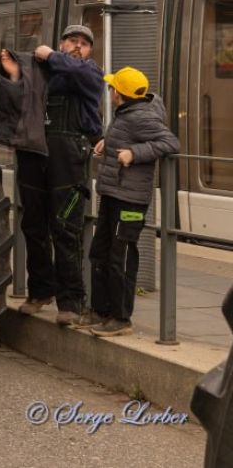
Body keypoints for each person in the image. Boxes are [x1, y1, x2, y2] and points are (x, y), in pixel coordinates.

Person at [13, 25, 104, 325]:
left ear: (90, 51)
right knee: (33, 225)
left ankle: (71, 302)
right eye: (72, 41)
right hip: (35, 154)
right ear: (62, 42)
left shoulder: (90, 74)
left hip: (69, 158)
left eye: (84, 44)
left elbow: (79, 72)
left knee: (66, 228)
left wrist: (50, 55)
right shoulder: (40, 72)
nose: (78, 47)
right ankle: (40, 291)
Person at [81, 66, 180, 336]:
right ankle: (100, 311)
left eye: (112, 87)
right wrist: (106, 143)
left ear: (119, 94)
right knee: (100, 252)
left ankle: (121, 318)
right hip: (113, 194)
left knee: (120, 256)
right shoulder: (126, 113)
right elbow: (123, 139)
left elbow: (170, 143)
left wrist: (135, 154)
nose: (109, 91)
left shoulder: (141, 117)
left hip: (130, 201)